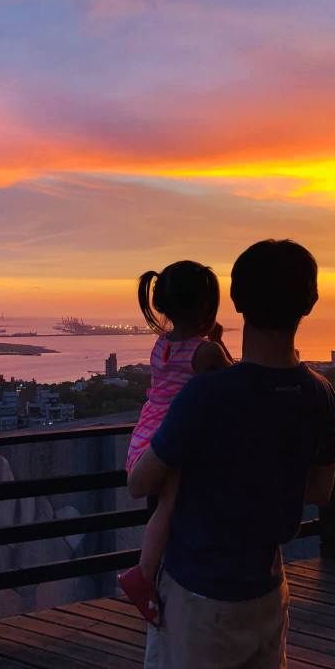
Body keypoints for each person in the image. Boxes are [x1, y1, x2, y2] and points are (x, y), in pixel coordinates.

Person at [129, 239, 335, 669]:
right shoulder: (319, 394)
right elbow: (320, 490)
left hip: (197, 591)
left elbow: (141, 481)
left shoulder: (206, 395)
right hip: (266, 587)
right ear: (311, 302)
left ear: (238, 301)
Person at [118, 261, 232, 623]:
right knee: (169, 505)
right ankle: (144, 573)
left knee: (165, 505)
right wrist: (218, 341)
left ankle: (152, 576)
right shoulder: (206, 352)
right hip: (172, 435)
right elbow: (235, 383)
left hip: (146, 434)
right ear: (205, 306)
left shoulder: (161, 344)